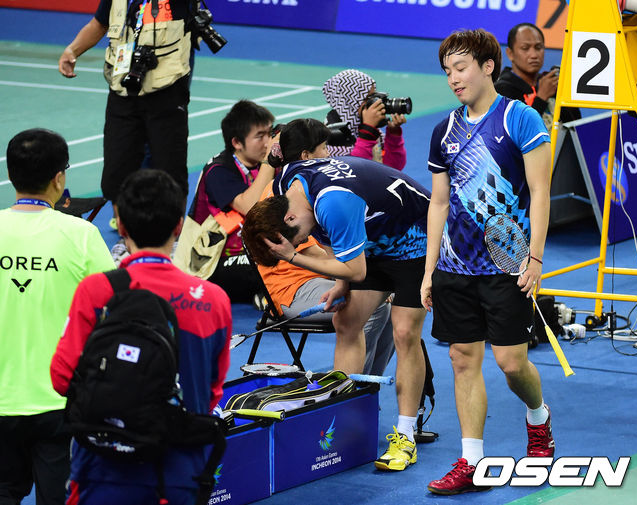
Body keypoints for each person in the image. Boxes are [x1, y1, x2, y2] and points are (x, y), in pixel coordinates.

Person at [242, 118, 430, 472]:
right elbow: (333, 244)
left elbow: (355, 270)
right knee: (347, 321)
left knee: (405, 332)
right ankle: (343, 418)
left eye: (297, 239)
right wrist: (340, 285)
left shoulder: (332, 203)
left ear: (291, 219)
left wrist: (295, 257)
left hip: (416, 239)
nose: (302, 242)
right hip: (373, 241)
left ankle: (405, 435)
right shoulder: (286, 185)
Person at [422, 29, 554, 495]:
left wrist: (535, 258)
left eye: (460, 68)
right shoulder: (444, 130)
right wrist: (429, 269)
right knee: (462, 360)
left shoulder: (520, 119)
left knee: (511, 363)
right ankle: (473, 462)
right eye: (447, 71)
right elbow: (439, 203)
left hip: (507, 264)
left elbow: (540, 193)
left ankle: (538, 416)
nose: (453, 79)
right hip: (455, 266)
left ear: (487, 67)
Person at [50, 169, 232, 505]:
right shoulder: (213, 299)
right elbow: (211, 392)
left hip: (103, 468)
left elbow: (62, 378)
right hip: (179, 470)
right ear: (179, 226)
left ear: (120, 226)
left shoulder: (96, 291)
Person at [0, 128, 114, 505]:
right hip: (58, 399)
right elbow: (114, 309)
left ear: (10, 173)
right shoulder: (82, 235)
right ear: (59, 178)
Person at [255, 122, 395, 375]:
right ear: (306, 156)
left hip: (322, 278)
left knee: (389, 303)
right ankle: (353, 387)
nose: (329, 154)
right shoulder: (283, 198)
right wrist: (367, 282)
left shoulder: (317, 186)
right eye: (324, 148)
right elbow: (319, 257)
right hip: (292, 289)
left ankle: (367, 385)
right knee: (374, 307)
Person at [58, 0, 195, 228]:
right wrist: (72, 50)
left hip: (167, 90)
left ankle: (171, 237)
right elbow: (99, 23)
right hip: (123, 90)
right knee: (116, 173)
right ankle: (126, 235)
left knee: (171, 172)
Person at [180, 100, 275, 304]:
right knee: (271, 262)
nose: (268, 142)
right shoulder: (218, 170)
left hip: (250, 249)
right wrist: (269, 161)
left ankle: (268, 290)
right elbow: (250, 207)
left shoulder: (259, 164)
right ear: (237, 143)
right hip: (211, 261)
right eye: (260, 136)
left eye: (270, 133)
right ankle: (268, 292)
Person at [495, 22, 580, 130]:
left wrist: (565, 95)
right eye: (525, 48)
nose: (534, 55)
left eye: (538, 47)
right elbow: (516, 134)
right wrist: (541, 98)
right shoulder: (500, 91)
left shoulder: (550, 84)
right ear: (510, 53)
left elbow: (575, 128)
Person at [323, 69, 407, 170]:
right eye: (367, 98)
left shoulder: (364, 126)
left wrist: (393, 135)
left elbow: (393, 168)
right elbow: (353, 171)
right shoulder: (332, 134)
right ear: (350, 100)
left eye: (374, 96)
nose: (374, 102)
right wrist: (367, 133)